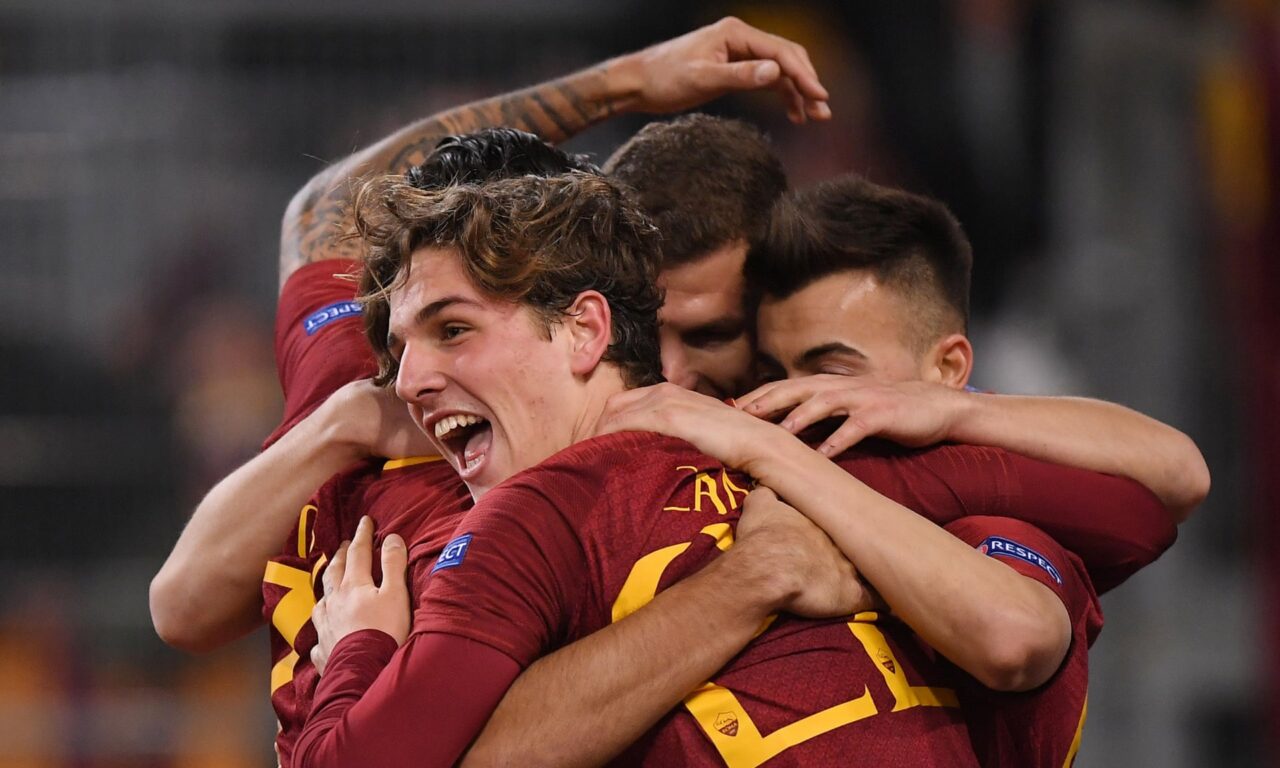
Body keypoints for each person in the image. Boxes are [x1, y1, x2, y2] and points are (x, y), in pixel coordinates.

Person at [295, 172, 1174, 766]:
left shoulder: (803, 457)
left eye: (454, 330)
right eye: (397, 351)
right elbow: (1141, 508)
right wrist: (757, 572)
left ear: (586, 330)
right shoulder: (446, 516)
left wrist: (948, 411)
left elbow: (1144, 504)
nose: (408, 379)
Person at [149, 19, 836, 767]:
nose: (669, 369)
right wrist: (624, 82)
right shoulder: (379, 397)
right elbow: (182, 609)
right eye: (426, 331)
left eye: (709, 335)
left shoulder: (745, 469)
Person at [595, 175, 1203, 765]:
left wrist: (950, 412)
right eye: (773, 373)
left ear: (947, 370)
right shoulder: (721, 467)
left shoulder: (986, 516)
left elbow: (1164, 492)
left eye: (831, 372)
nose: (792, 402)